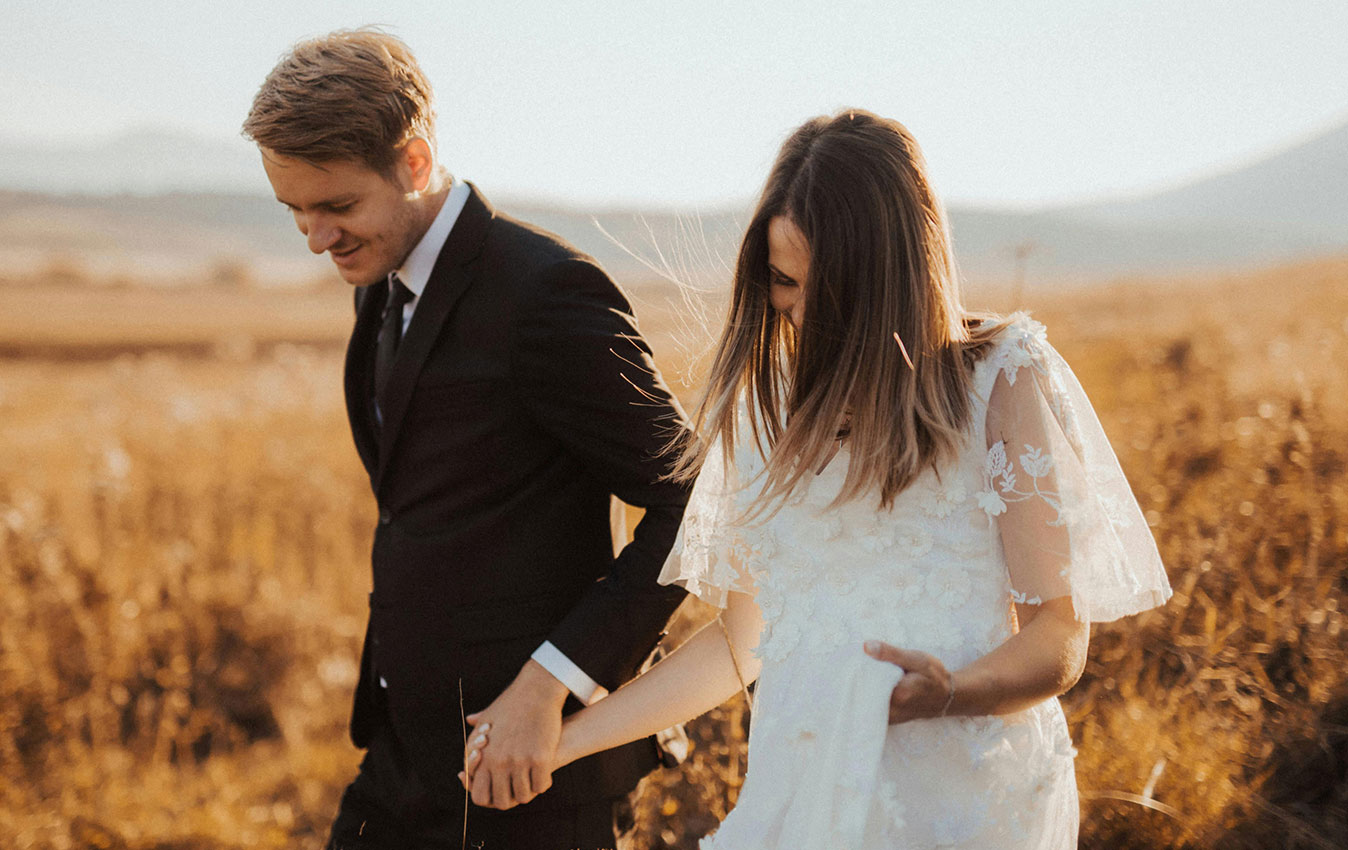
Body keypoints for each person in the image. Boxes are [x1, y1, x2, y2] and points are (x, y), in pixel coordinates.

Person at [466, 109, 1173, 848]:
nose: (798, 311)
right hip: (797, 795)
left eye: (824, 289)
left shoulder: (1001, 380)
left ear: (893, 273)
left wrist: (952, 694)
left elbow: (1060, 635)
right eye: (781, 281)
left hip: (964, 803)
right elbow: (742, 643)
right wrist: (564, 740)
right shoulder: (766, 410)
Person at [243, 29, 692, 850]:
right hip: (402, 755)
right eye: (295, 211)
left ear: (413, 162)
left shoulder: (546, 294)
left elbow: (697, 500)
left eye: (336, 206)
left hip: (533, 772)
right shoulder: (381, 280)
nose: (315, 238)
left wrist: (548, 685)